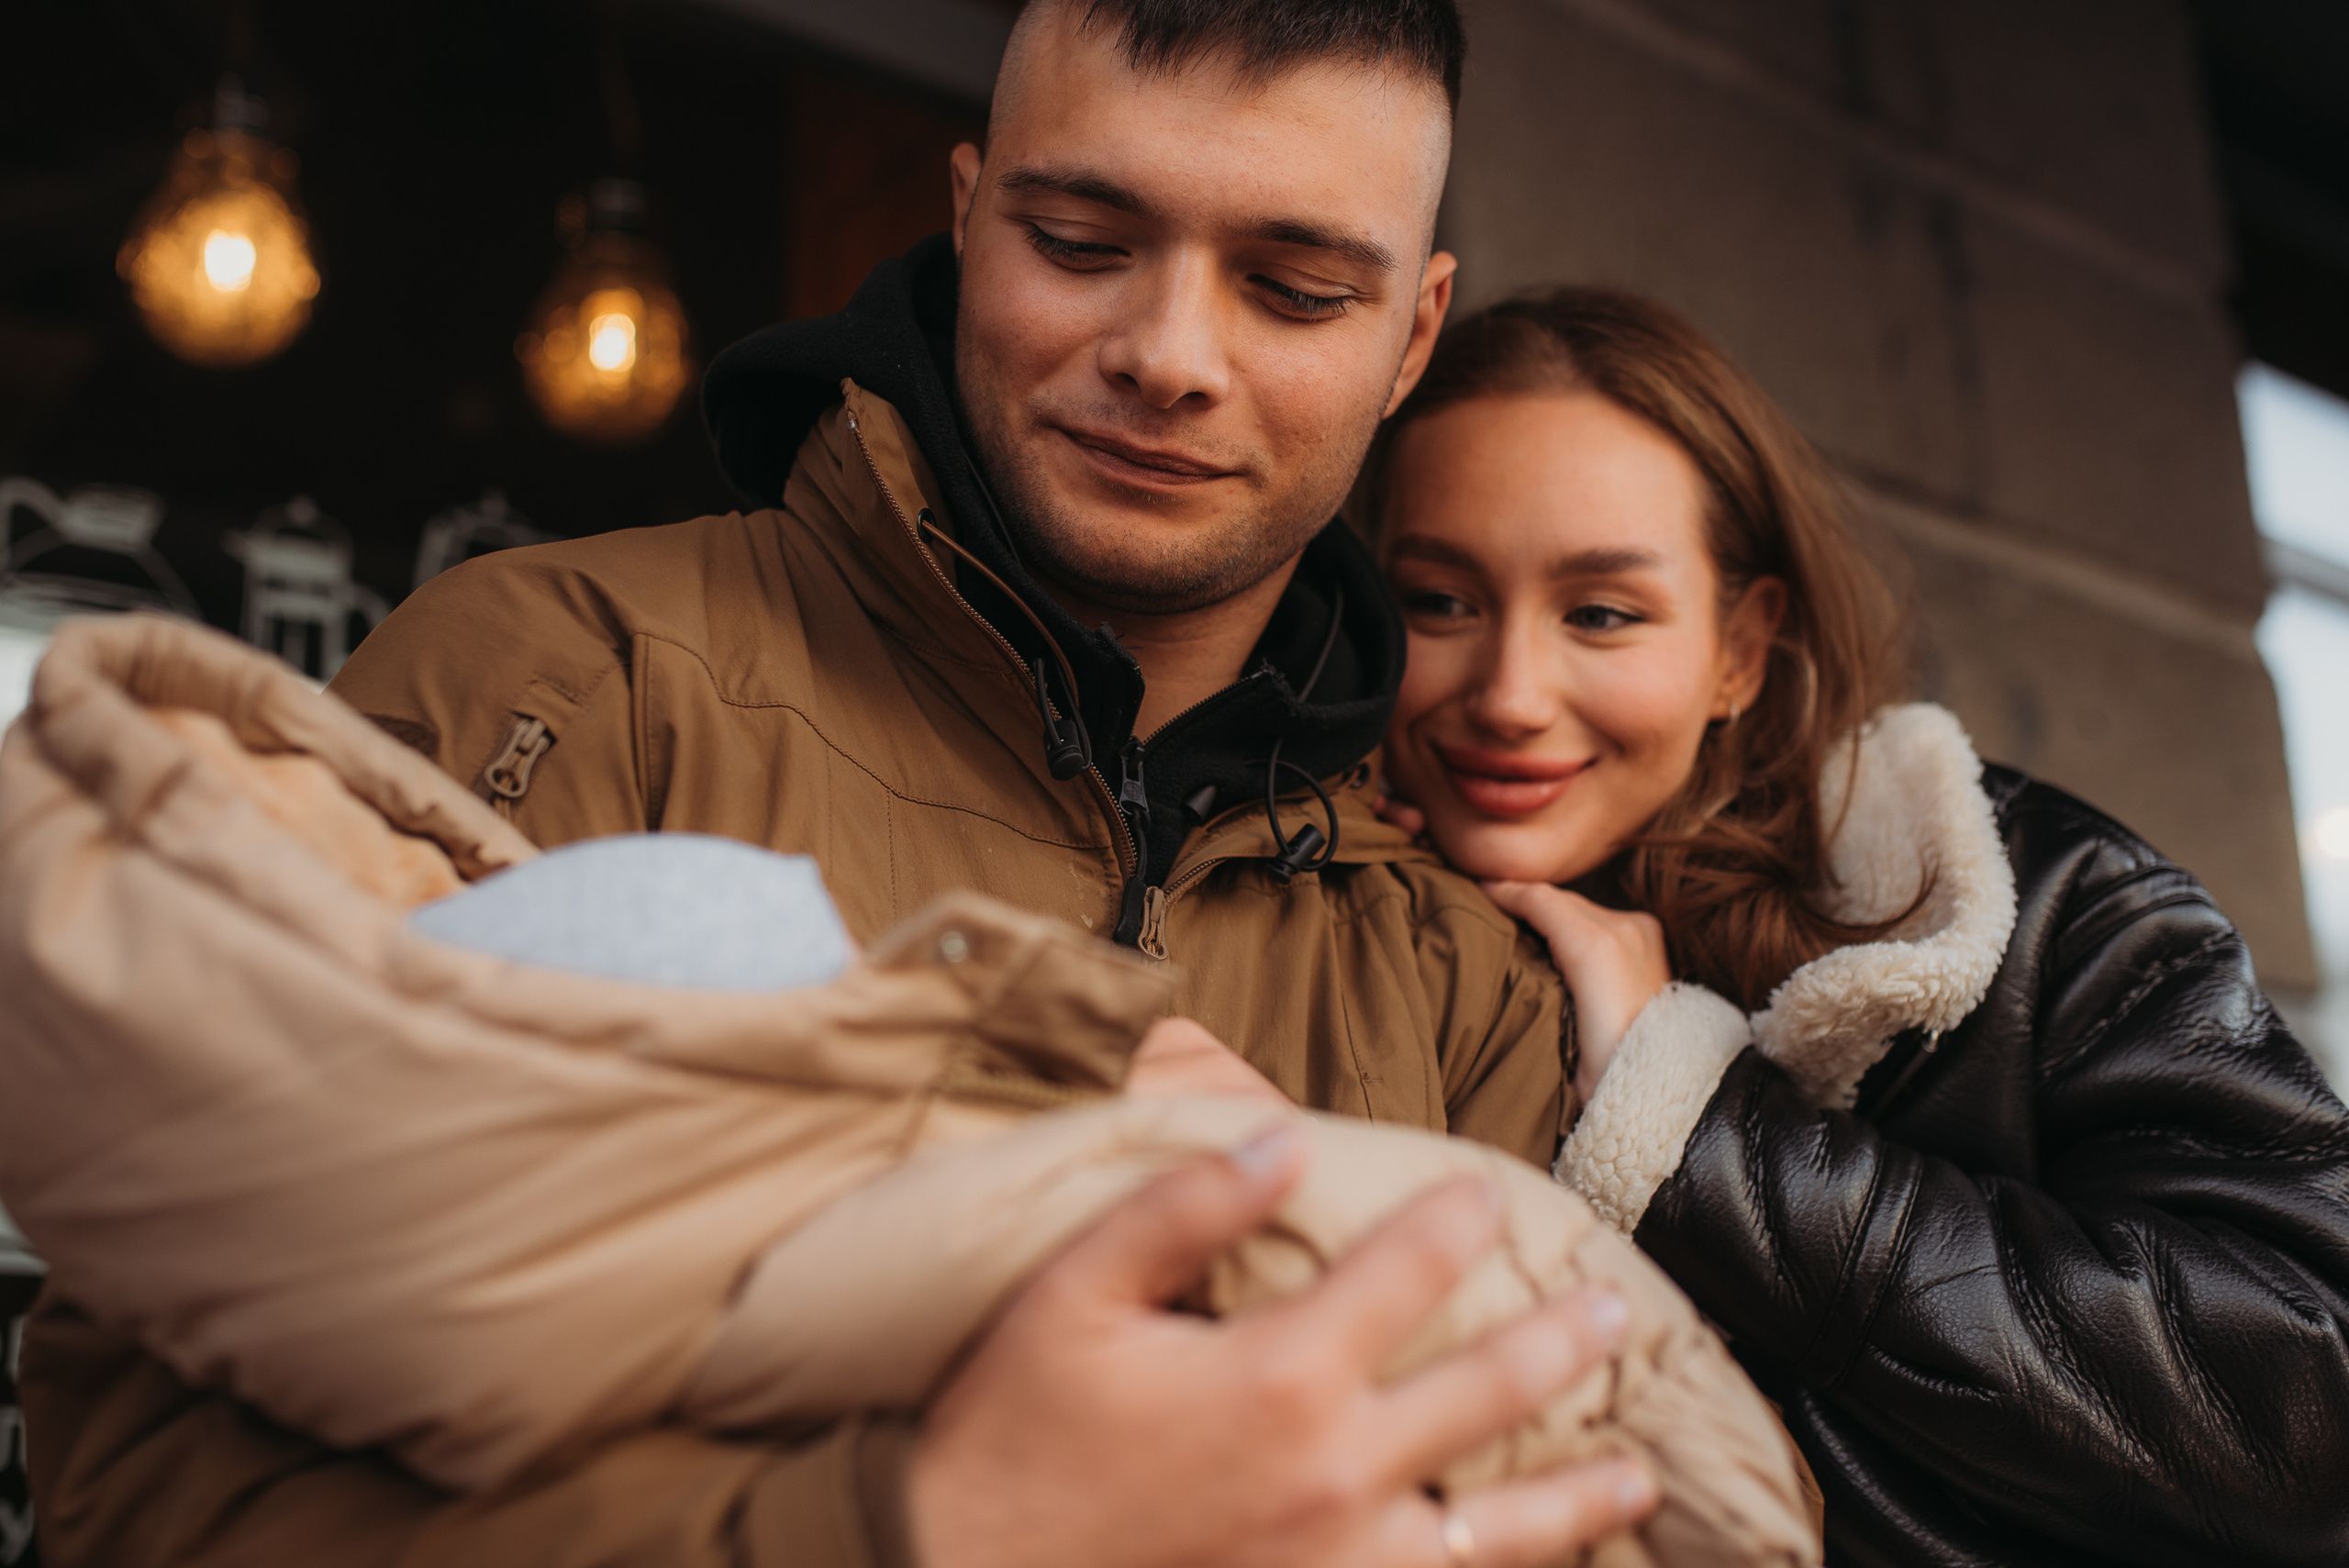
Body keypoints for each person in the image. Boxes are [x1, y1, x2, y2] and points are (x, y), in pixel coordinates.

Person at [17, 5, 1661, 1566]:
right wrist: (921, 1524)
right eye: (1080, 242)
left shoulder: (1464, 984)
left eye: (1296, 290)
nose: (1168, 353)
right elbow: (142, 1483)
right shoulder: (566, 685)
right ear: (967, 219)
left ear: (1413, 336)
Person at [1368, 285, 2349, 1566]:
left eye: (1602, 612)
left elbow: (2299, 1414)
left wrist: (1693, 1126)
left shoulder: (2033, 900)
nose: (1508, 692)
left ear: (1740, 648)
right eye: (1438, 600)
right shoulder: (1326, 913)